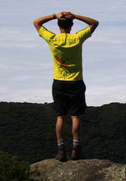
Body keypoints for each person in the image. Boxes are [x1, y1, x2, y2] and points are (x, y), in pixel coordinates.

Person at [33, 11, 99, 161]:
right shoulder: (77, 38)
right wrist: (75, 16)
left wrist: (53, 16)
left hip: (58, 82)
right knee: (76, 116)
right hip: (75, 81)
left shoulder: (52, 39)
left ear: (58, 25)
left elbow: (36, 22)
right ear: (72, 25)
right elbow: (94, 23)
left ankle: (61, 150)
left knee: (60, 117)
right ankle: (76, 150)